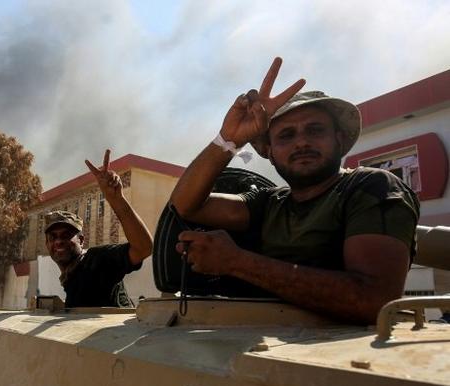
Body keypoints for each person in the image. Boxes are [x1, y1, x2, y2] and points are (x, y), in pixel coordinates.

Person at [169, 57, 419, 324]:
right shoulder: (269, 203)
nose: (301, 142)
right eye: (286, 135)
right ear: (270, 153)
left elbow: (374, 300)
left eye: (315, 130)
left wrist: (236, 262)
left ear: (339, 139)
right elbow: (186, 205)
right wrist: (228, 140)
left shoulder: (371, 186)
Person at [44, 149, 153, 308]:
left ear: (81, 240)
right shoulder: (70, 277)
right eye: (53, 237)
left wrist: (116, 199)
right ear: (47, 245)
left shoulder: (96, 261)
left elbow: (143, 248)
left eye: (66, 235)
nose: (59, 241)